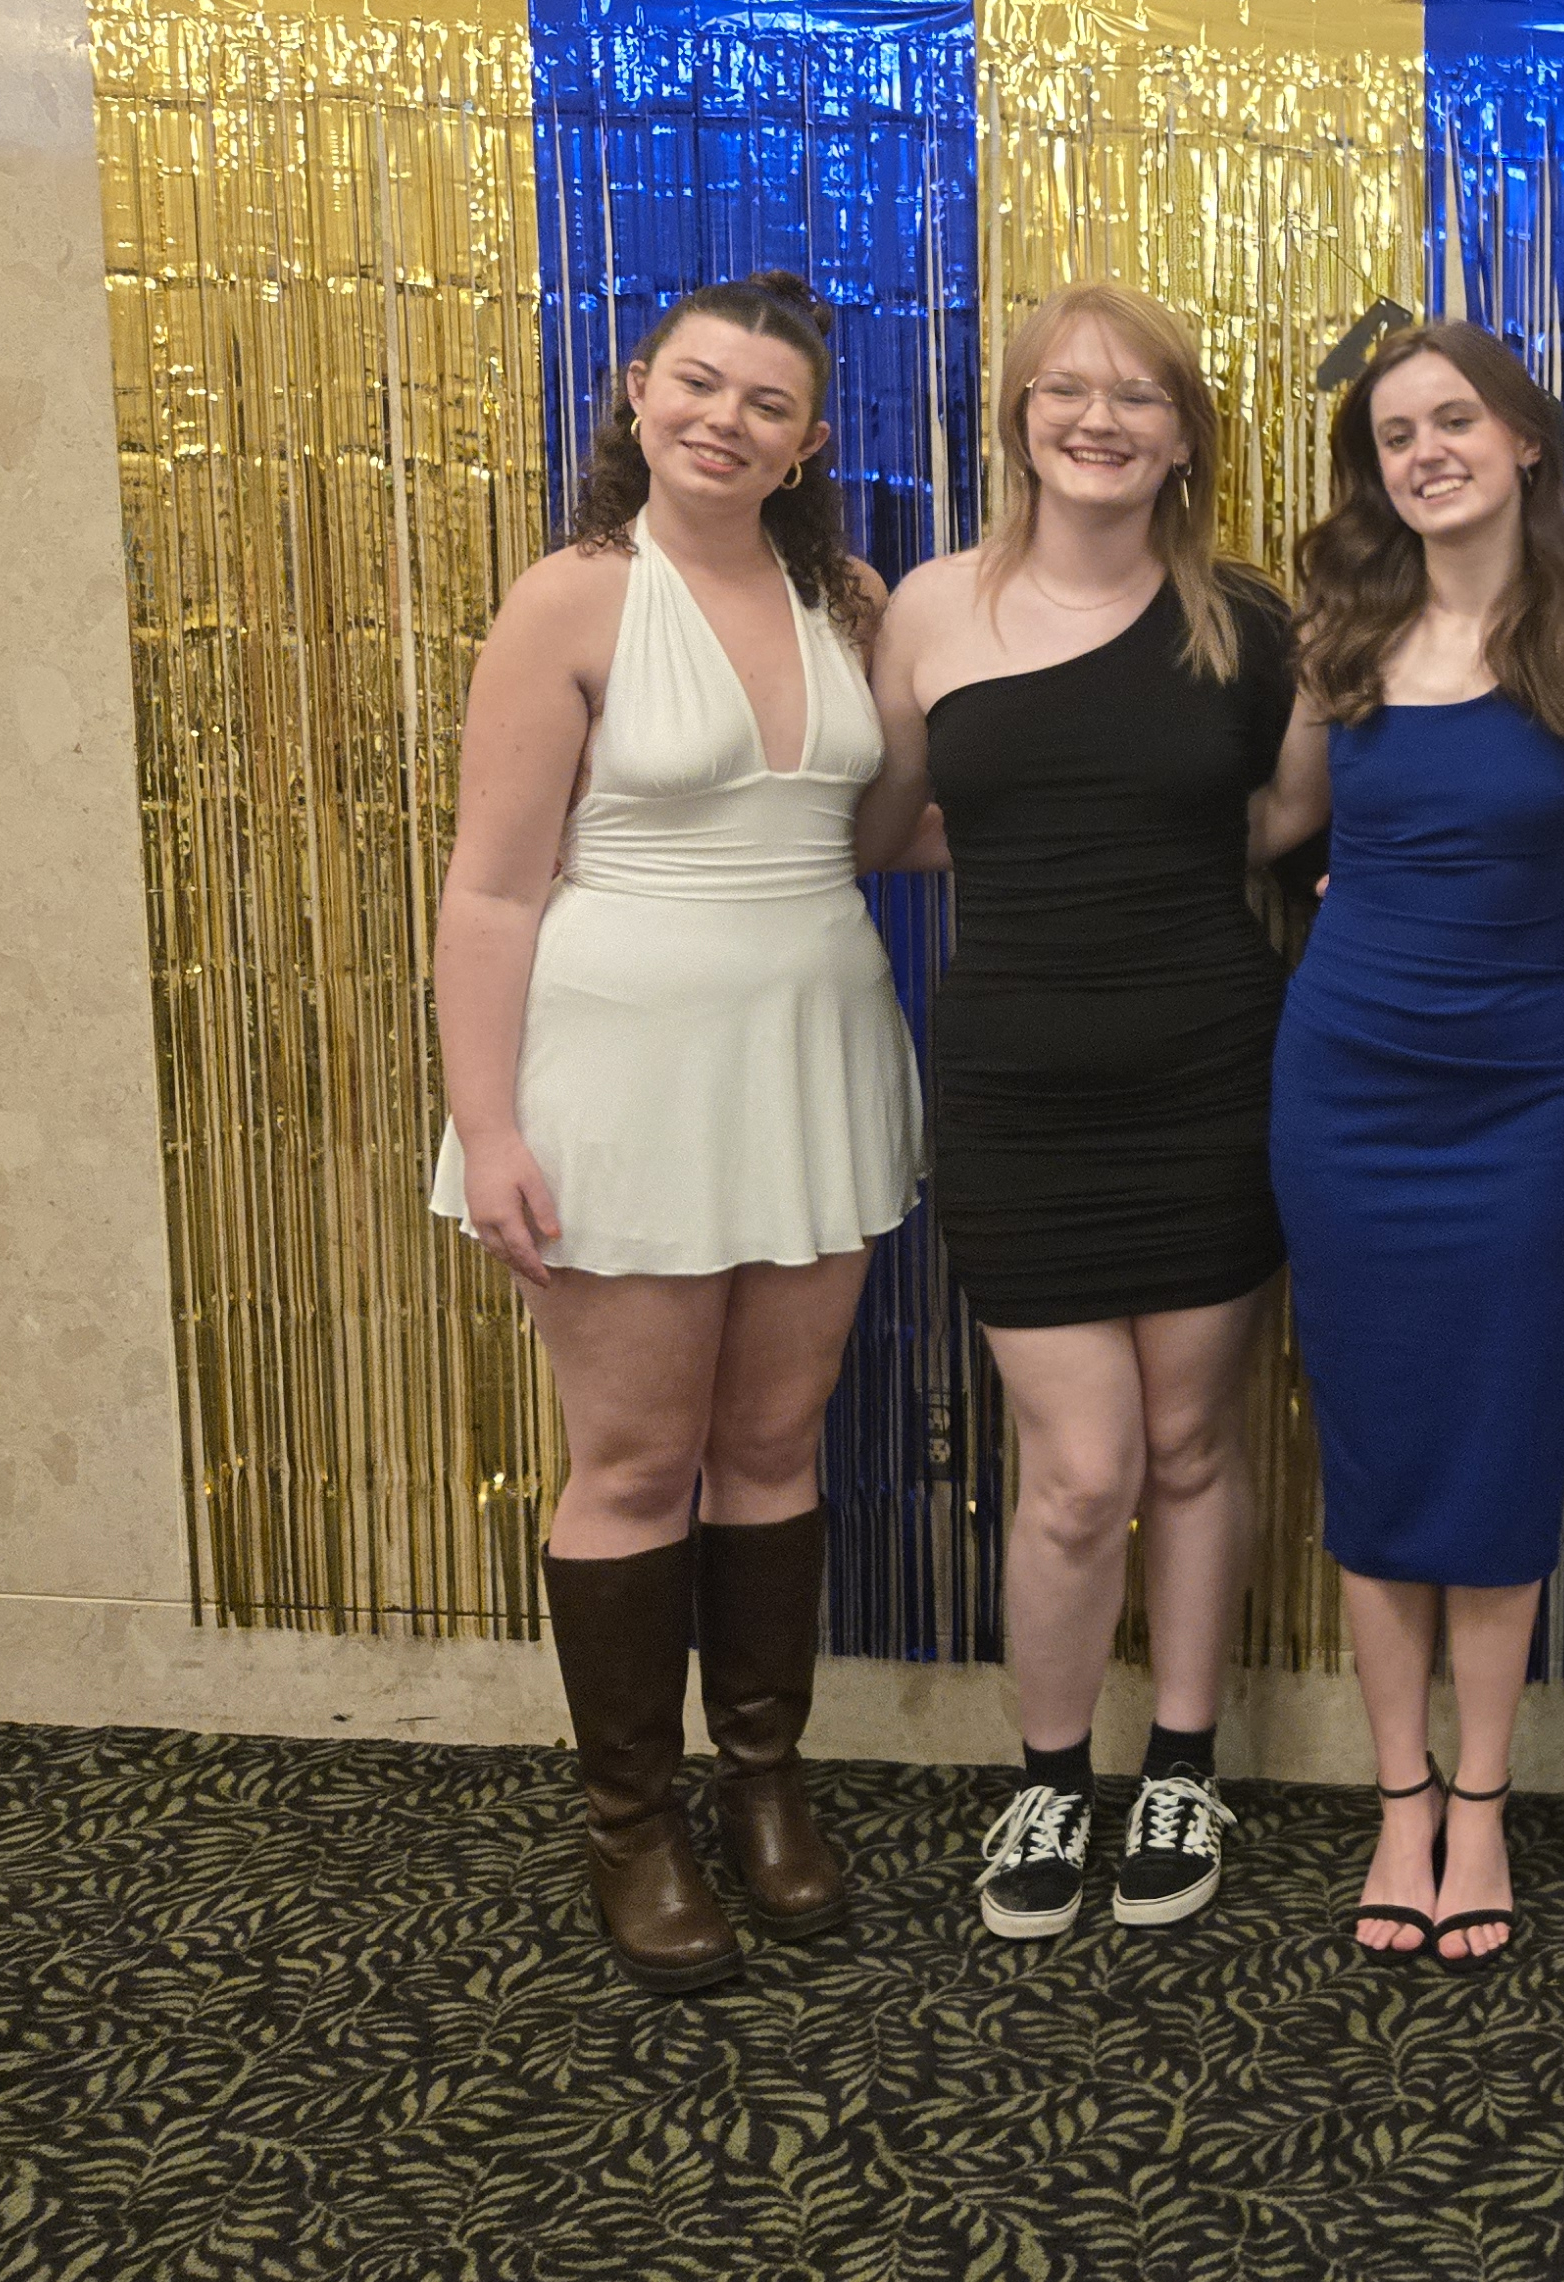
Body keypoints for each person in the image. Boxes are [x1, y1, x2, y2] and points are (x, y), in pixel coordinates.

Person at [429, 271, 916, 1991]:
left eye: (767, 402)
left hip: (812, 1057)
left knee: (774, 1446)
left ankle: (762, 1782)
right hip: (617, 1073)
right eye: (698, 384)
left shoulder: (851, 597)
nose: (725, 419)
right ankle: (630, 1822)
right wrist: (488, 1125)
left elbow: (894, 824)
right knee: (637, 1460)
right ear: (639, 392)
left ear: (808, 442)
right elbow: (491, 890)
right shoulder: (569, 596)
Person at [857, 281, 1299, 1942]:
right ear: (1019, 418)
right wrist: (1038, 850)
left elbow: (1283, 822)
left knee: (1188, 1445)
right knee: (1075, 1468)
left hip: (1209, 1073)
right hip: (1016, 1087)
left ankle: (1181, 1762)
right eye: (1066, 390)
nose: (1098, 419)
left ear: (1185, 439)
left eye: (1137, 396)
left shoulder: (1245, 622)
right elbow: (884, 828)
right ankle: (1048, 1773)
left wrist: (1125, 850)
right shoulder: (933, 607)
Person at [1257, 320, 1564, 1970]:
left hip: (1516, 1088)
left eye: (1453, 420)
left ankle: (1485, 1802)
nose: (1424, 451)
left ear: (1522, 440)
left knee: (1500, 1439)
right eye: (1394, 434)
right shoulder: (1340, 634)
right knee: (1372, 1437)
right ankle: (1398, 1799)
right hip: (1345, 1081)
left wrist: (1495, 883)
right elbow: (1281, 825)